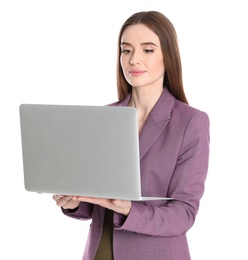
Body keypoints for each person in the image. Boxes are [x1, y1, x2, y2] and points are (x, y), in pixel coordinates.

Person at [53, 10, 210, 260]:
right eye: (126, 50)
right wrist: (73, 202)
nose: (134, 59)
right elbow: (94, 200)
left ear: (167, 56)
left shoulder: (191, 122)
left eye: (147, 50)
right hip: (100, 251)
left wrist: (129, 210)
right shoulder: (103, 117)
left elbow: (184, 214)